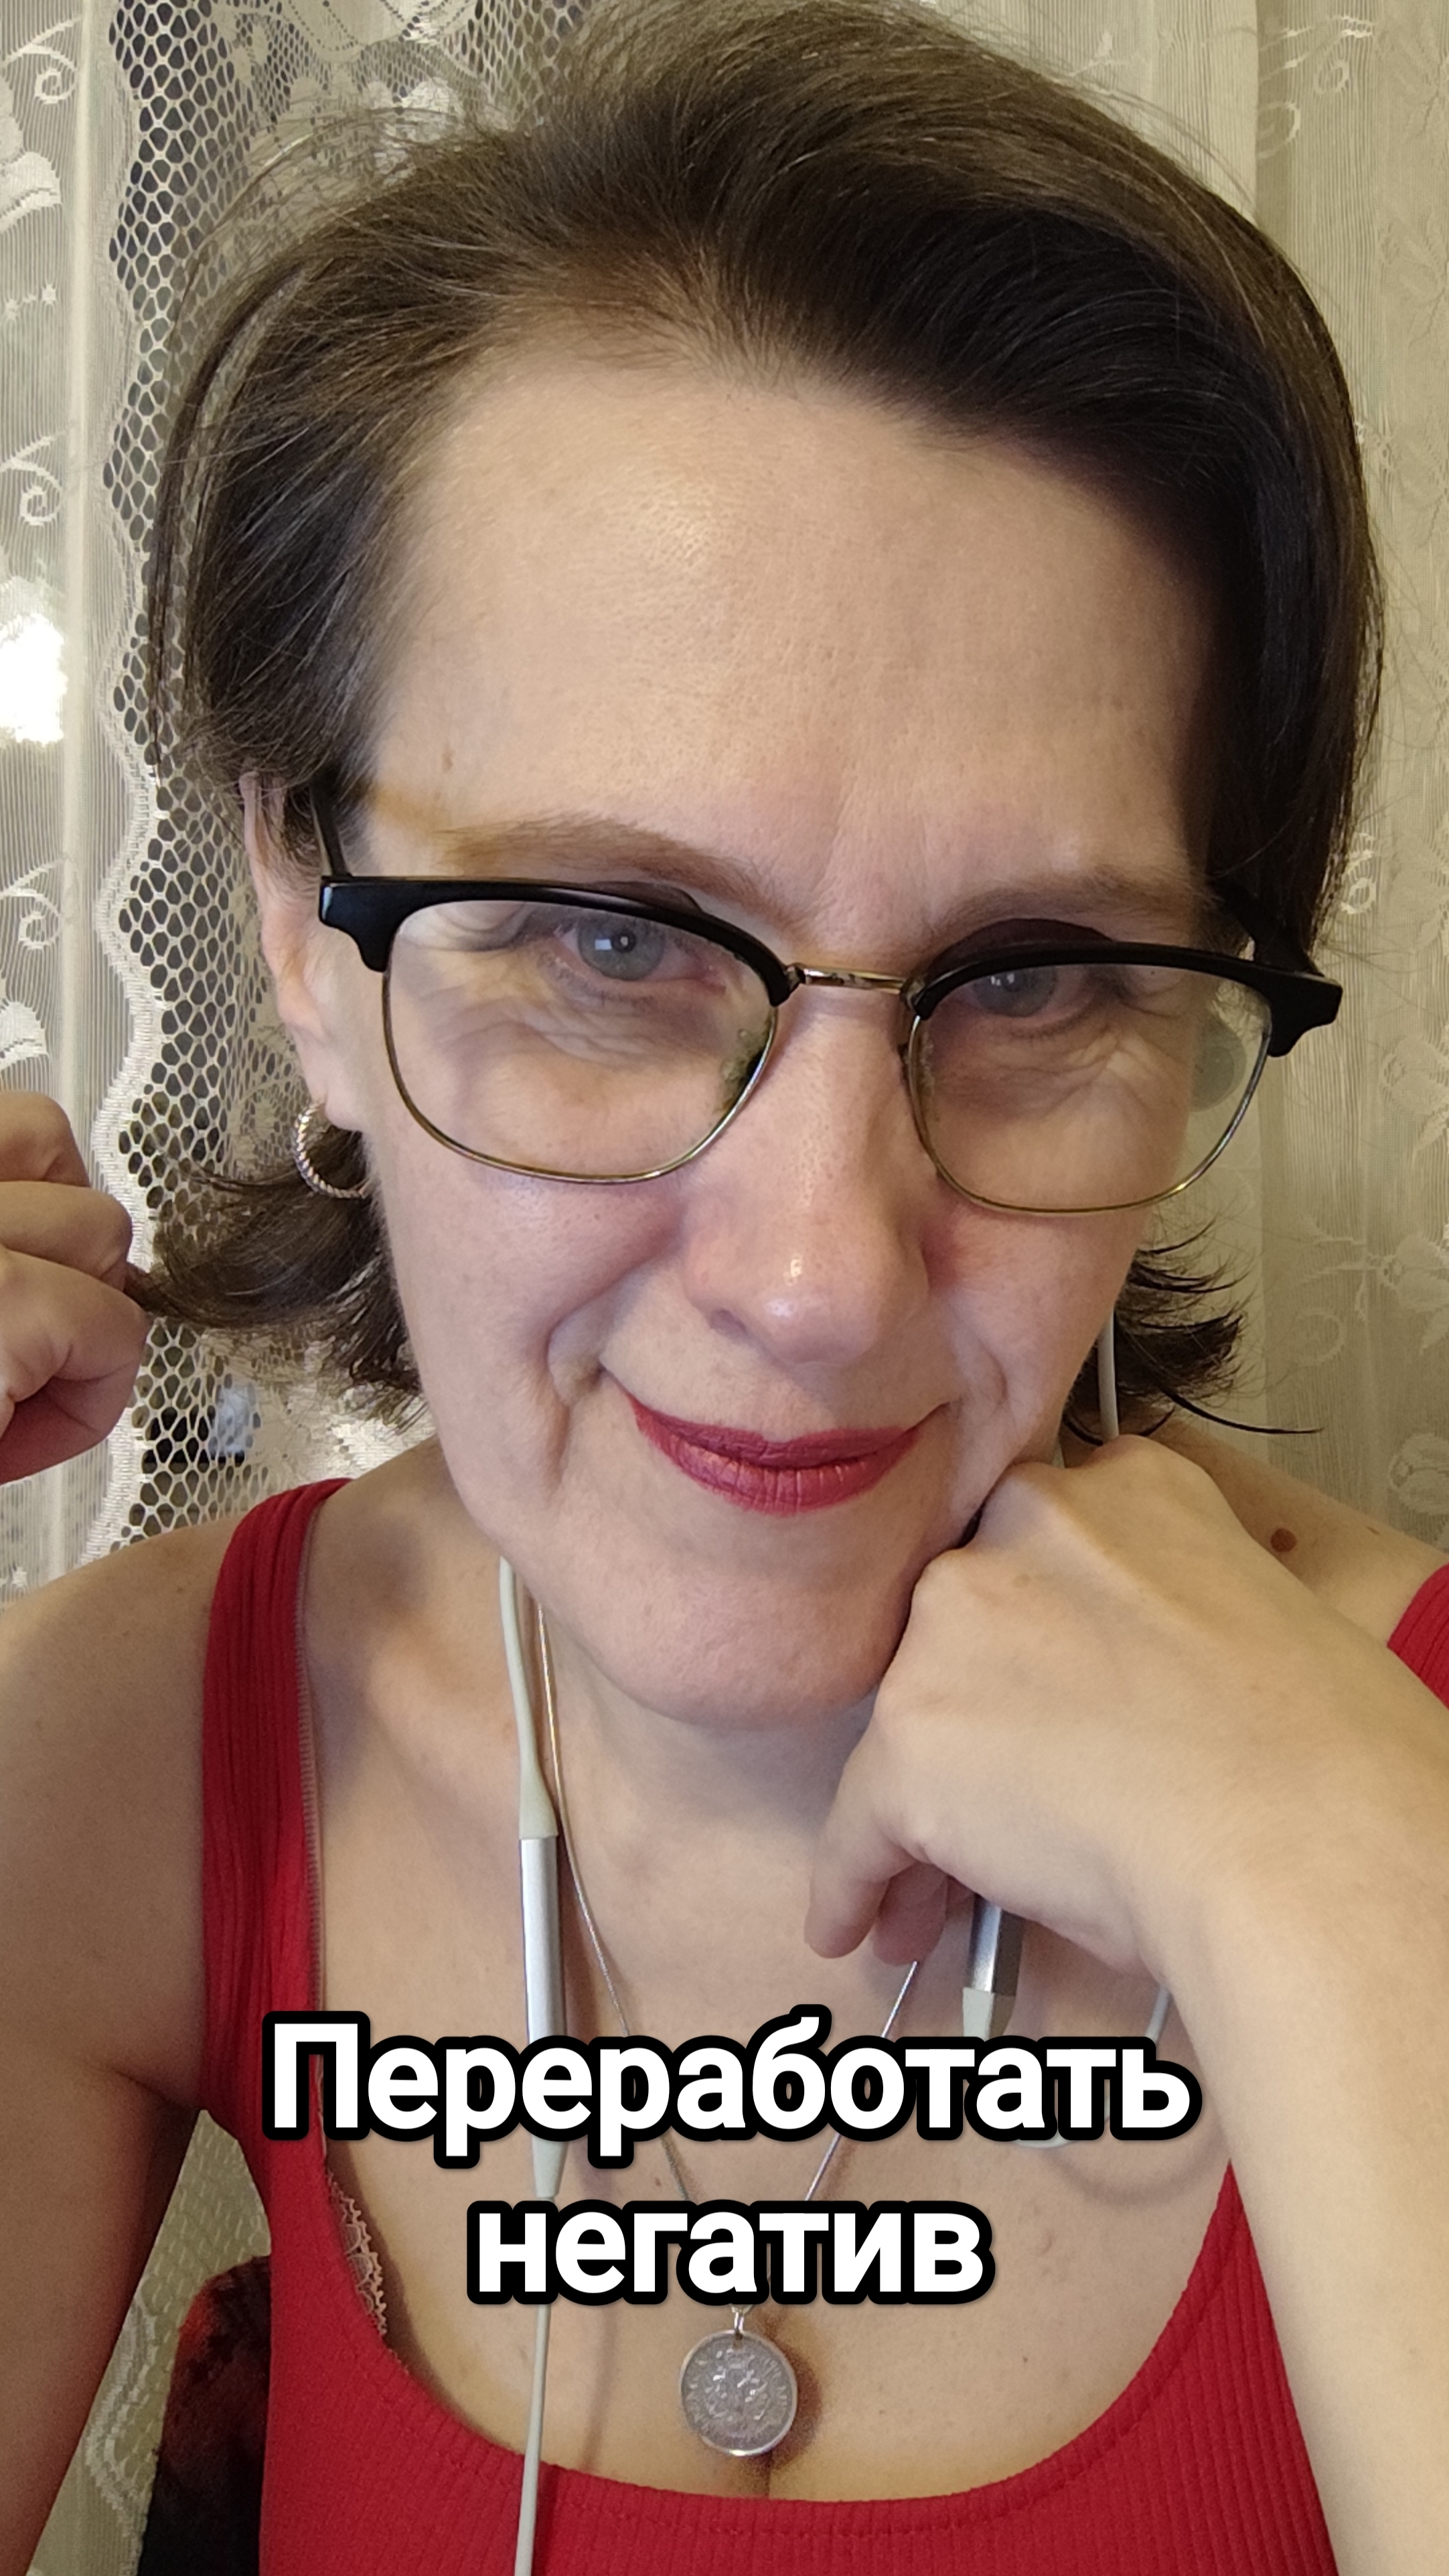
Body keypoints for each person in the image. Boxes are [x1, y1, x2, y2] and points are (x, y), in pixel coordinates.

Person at [1, 1, 1446, 2569]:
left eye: (1035, 977)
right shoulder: (124, 1763)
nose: (814, 1276)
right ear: (303, 931)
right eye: (603, 940)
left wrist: (1354, 1907)